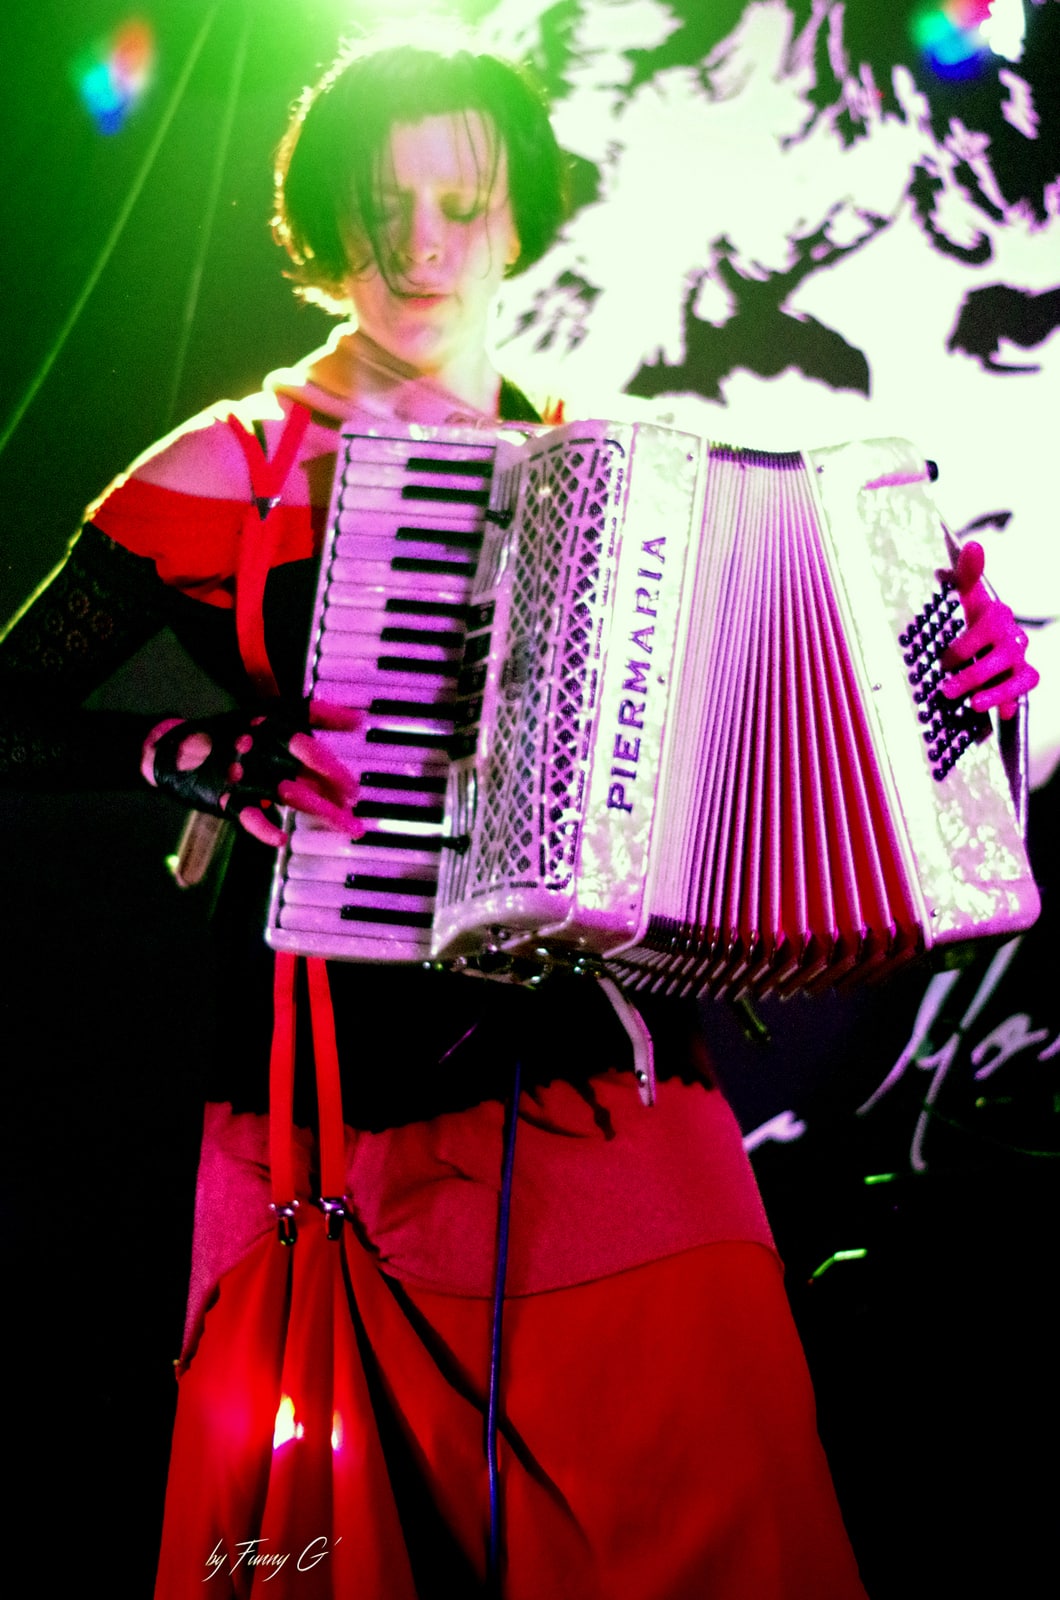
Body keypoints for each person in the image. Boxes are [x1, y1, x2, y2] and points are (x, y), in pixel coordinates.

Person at [0, 32, 1039, 1600]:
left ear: (517, 218)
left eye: (461, 204)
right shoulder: (237, 464)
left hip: (605, 1067)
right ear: (325, 222)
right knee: (345, 1543)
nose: (419, 246)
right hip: (344, 1088)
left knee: (726, 1498)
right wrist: (185, 750)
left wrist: (949, 672)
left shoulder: (612, 472)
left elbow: (775, 717)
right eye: (381, 205)